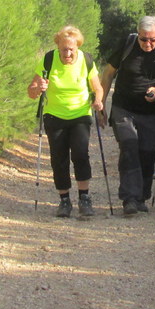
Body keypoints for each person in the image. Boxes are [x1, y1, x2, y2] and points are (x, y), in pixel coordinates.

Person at [99, 16, 155, 217]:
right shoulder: (128, 43)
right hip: (124, 107)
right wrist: (100, 103)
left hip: (152, 112)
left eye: (153, 39)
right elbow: (108, 73)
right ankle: (129, 199)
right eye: (144, 39)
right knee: (129, 146)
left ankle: (141, 196)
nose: (148, 43)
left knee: (148, 153)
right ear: (137, 34)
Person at [27, 26, 105, 218]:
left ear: (77, 47)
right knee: (58, 158)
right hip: (54, 115)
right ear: (58, 46)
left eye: (72, 49)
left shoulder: (86, 60)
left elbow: (98, 87)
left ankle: (84, 198)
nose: (68, 53)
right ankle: (64, 200)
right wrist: (38, 87)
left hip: (80, 114)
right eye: (64, 49)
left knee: (80, 154)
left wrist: (98, 100)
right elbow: (31, 92)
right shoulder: (48, 60)